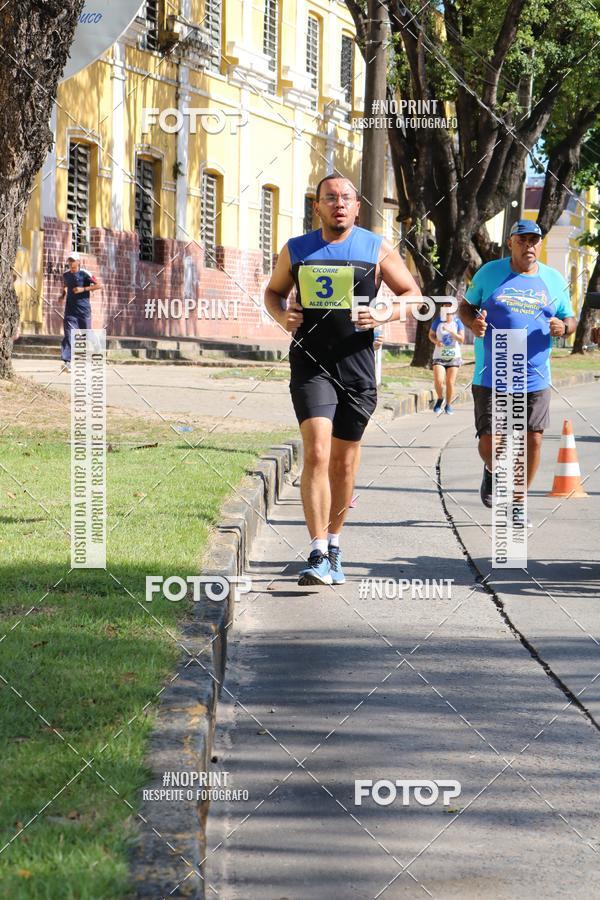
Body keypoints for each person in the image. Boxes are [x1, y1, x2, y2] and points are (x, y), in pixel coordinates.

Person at [264, 174, 421, 585]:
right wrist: (283, 316)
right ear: (317, 206)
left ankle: (334, 544)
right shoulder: (297, 249)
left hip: (356, 367)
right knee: (317, 451)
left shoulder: (375, 247)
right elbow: (273, 293)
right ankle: (317, 551)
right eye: (330, 197)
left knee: (344, 461)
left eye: (346, 198)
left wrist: (384, 313)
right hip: (311, 364)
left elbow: (413, 296)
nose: (338, 204)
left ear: (356, 206)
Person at [458, 219, 575, 524]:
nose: (529, 246)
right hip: (492, 373)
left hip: (535, 375)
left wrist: (563, 328)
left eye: (534, 240)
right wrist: (473, 323)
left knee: (532, 438)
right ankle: (492, 470)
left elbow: (570, 319)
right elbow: (465, 307)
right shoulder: (489, 272)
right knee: (491, 444)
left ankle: (519, 501)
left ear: (540, 244)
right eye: (522, 240)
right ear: (510, 243)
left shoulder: (553, 280)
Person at [60, 251, 101, 371]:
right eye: (69, 260)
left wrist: (83, 289)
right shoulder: (66, 275)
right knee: (69, 335)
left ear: (78, 262)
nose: (71, 263)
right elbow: (65, 285)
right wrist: (62, 295)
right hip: (70, 310)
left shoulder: (85, 274)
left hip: (83, 310)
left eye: (73, 260)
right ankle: (67, 362)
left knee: (86, 333)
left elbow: (98, 285)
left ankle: (96, 342)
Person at [428, 302, 465, 414]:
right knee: (439, 380)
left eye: (449, 308)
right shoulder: (437, 321)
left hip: (454, 357)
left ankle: (448, 405)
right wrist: (436, 341)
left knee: (450, 382)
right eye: (444, 308)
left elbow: (461, 339)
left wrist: (451, 332)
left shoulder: (458, 322)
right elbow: (431, 335)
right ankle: (440, 398)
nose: (446, 310)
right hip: (439, 356)